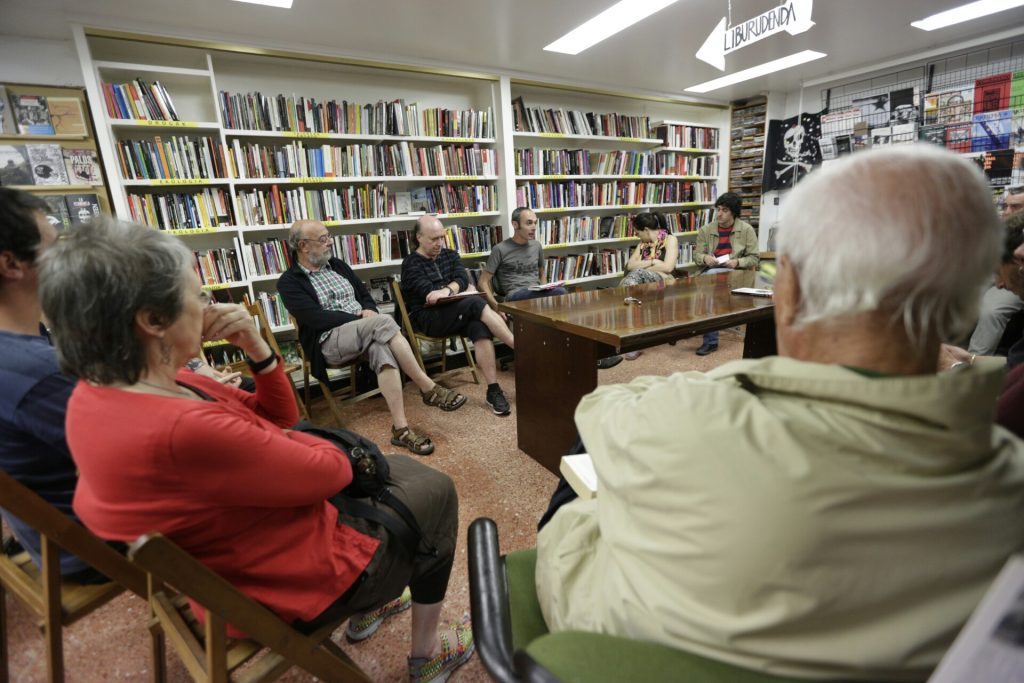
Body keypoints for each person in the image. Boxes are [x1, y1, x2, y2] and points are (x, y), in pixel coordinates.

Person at [535, 146, 1024, 681]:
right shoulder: (1009, 476)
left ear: (786, 289)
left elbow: (600, 405)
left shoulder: (701, 415)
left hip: (639, 641)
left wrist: (713, 381)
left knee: (581, 488)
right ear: (974, 300)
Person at [40, 219, 474, 682]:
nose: (209, 306)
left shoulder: (103, 393)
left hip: (233, 562)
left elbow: (282, 419)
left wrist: (259, 351)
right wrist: (286, 441)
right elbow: (329, 469)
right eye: (198, 295)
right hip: (291, 578)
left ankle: (379, 605)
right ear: (152, 320)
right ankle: (425, 657)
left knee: (398, 473)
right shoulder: (183, 426)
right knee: (437, 489)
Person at [278, 219, 467, 456]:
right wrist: (361, 320)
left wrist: (369, 311)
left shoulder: (337, 265)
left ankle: (401, 430)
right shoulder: (289, 282)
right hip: (328, 341)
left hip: (365, 330)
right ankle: (427, 387)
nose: (330, 243)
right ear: (304, 246)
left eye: (329, 236)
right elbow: (316, 318)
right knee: (384, 322)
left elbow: (364, 294)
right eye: (324, 239)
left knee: (382, 349)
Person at [0, 187, 107, 583]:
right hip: (91, 548)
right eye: (53, 247)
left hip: (48, 539)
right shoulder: (35, 372)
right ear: (11, 263)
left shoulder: (29, 349)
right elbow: (138, 453)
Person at [479, 207, 622, 370]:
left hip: (536, 293)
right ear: (515, 224)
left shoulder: (536, 246)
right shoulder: (500, 249)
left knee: (571, 314)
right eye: (528, 223)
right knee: (561, 294)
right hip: (515, 296)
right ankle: (591, 357)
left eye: (535, 223)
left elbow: (541, 275)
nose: (534, 227)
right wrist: (496, 306)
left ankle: (590, 355)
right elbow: (483, 282)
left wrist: (545, 288)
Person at [401, 215, 515, 416]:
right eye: (434, 239)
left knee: (479, 327)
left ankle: (493, 390)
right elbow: (429, 296)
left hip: (455, 312)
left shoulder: (450, 255)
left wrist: (447, 291)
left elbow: (462, 278)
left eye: (442, 237)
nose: (439, 243)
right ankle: (520, 347)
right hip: (429, 319)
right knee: (475, 302)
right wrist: (457, 289)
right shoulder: (411, 264)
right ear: (419, 237)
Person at [692, 192, 759, 355]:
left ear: (734, 212)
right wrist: (705, 258)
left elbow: (754, 258)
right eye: (718, 209)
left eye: (724, 210)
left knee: (708, 284)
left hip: (736, 274)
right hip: (711, 272)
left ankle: (711, 341)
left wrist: (737, 262)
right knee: (709, 280)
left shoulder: (746, 230)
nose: (719, 214)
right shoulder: (706, 230)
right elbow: (697, 256)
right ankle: (710, 337)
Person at [969, 184, 1024, 355]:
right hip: (992, 273)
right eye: (1005, 205)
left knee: (991, 311)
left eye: (1015, 206)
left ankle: (972, 363)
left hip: (1012, 277)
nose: (1007, 211)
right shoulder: (1001, 225)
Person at [619, 212, 679, 360]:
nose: (637, 236)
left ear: (646, 230)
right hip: (641, 281)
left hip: (664, 281)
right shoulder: (642, 244)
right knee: (634, 281)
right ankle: (633, 337)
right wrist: (652, 262)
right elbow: (629, 266)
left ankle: (633, 342)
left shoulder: (671, 240)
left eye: (638, 232)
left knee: (633, 280)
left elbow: (668, 268)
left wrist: (641, 267)